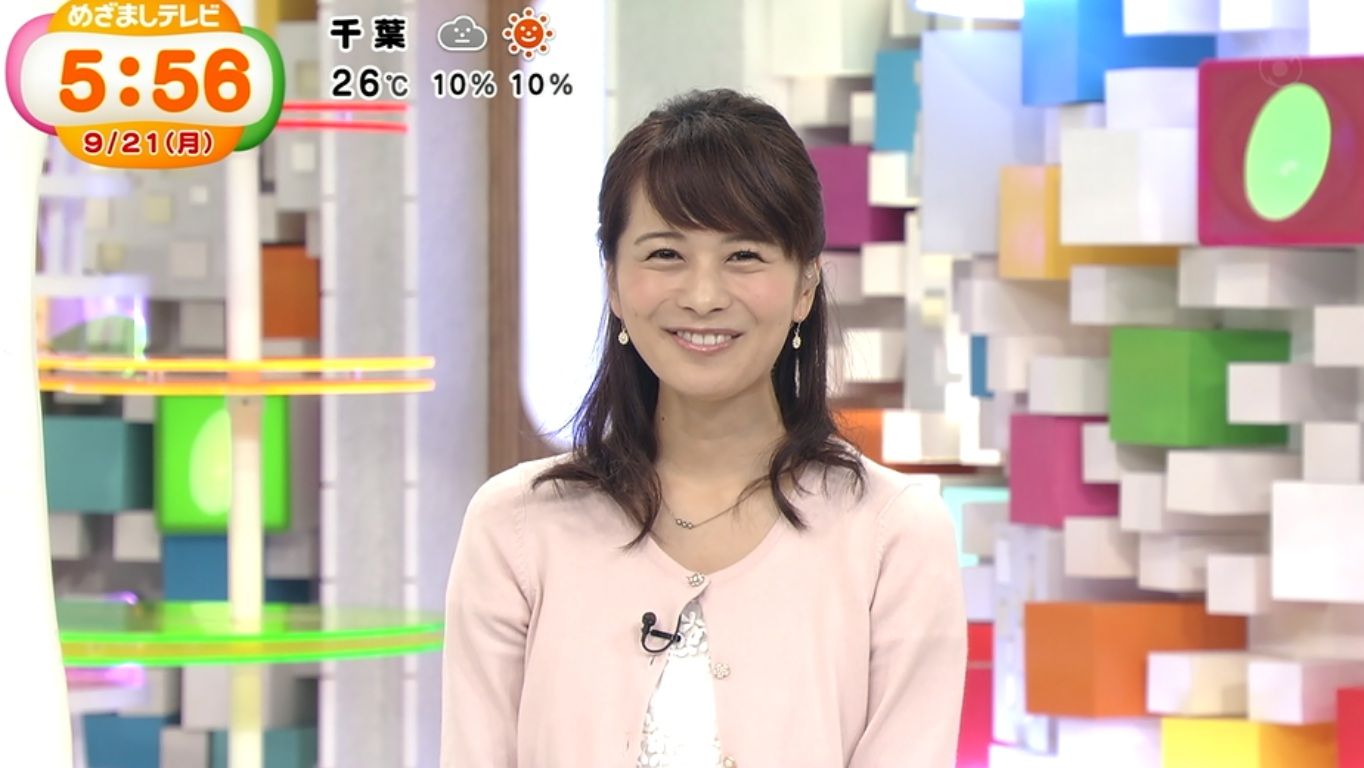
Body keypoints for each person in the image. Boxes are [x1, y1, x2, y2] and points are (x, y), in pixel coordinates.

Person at [441, 88, 966, 768]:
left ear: (805, 285)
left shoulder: (894, 534)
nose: (703, 296)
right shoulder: (515, 527)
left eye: (743, 255)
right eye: (666, 254)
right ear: (614, 282)